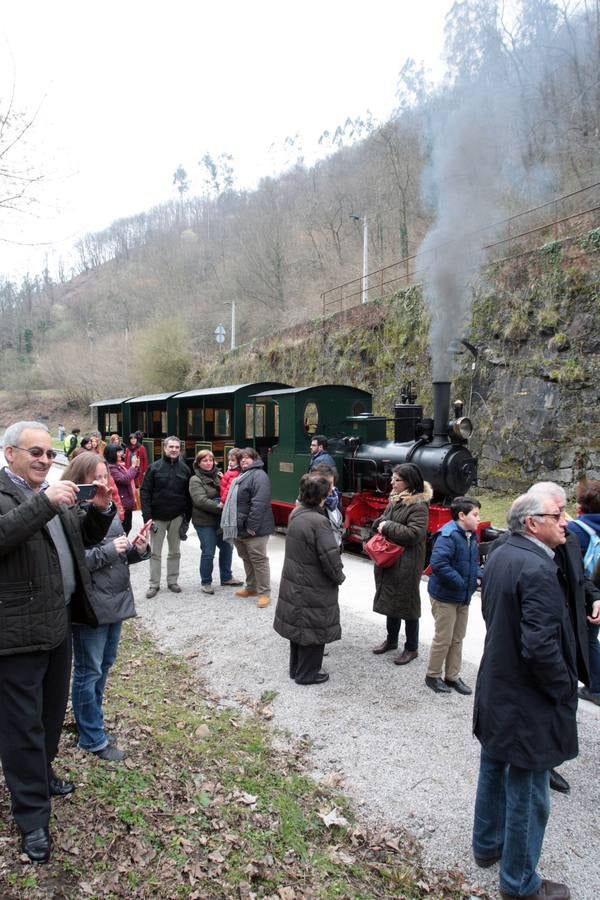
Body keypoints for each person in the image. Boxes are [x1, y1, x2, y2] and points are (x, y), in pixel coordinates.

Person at [0, 421, 114, 863]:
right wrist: (45, 503)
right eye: (35, 453)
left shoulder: (49, 491)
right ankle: (31, 818)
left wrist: (100, 511)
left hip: (57, 624)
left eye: (49, 454)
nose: (45, 460)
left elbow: (79, 539)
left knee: (49, 715)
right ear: (10, 453)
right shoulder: (23, 495)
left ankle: (41, 774)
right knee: (21, 726)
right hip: (16, 633)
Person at [472, 488, 582, 900]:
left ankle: (486, 846)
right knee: (529, 790)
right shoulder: (537, 568)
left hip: (498, 683)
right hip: (526, 696)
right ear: (533, 522)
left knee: (492, 766)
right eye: (558, 513)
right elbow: (540, 647)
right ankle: (519, 883)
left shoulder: (501, 551)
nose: (566, 520)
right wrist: (561, 688)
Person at [62, 451, 149, 762]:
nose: (103, 482)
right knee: (88, 671)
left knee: (103, 667)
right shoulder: (69, 510)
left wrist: (138, 548)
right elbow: (73, 562)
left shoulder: (107, 508)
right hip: (90, 607)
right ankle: (92, 737)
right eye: (95, 477)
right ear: (79, 480)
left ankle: (91, 720)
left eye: (105, 476)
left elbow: (118, 553)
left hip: (116, 601)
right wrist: (111, 551)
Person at [274, 473, 345, 684]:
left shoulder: (297, 513)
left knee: (299, 627)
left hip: (296, 578)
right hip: (313, 583)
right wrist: (339, 576)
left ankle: (296, 669)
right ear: (322, 495)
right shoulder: (319, 521)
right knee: (314, 628)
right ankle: (308, 674)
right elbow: (329, 557)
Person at [371, 463, 431, 665]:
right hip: (392, 558)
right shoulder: (396, 499)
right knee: (391, 599)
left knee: (408, 604)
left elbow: (415, 534)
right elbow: (385, 519)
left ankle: (411, 647)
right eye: (392, 478)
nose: (392, 482)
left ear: (409, 483)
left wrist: (387, 526)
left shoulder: (418, 505)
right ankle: (392, 640)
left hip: (407, 561)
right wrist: (379, 523)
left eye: (396, 480)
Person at [425, 496, 481, 695]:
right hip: (445, 597)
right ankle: (432, 676)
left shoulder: (470, 534)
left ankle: (452, 676)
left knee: (457, 638)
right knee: (444, 638)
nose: (478, 518)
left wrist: (478, 576)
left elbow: (472, 562)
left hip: (461, 596)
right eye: (475, 514)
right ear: (461, 515)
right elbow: (439, 565)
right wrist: (463, 583)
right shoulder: (448, 535)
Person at [221, 447, 274, 609]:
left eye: (247, 458)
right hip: (239, 527)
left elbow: (259, 503)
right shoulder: (243, 475)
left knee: (259, 560)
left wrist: (252, 525)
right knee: (246, 558)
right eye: (241, 458)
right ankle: (251, 587)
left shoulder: (259, 476)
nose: (244, 460)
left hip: (254, 529)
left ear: (255, 459)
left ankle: (264, 593)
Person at [140, 435, 191, 598]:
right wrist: (147, 517)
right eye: (171, 447)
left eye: (177, 447)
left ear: (180, 449)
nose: (174, 449)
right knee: (155, 552)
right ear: (164, 448)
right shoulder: (154, 468)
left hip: (177, 516)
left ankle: (172, 581)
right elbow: (145, 492)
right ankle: (154, 584)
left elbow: (189, 496)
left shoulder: (185, 470)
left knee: (175, 552)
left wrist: (186, 518)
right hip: (157, 517)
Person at [189, 449, 242, 595]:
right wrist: (221, 506)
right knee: (208, 551)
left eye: (210, 460)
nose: (208, 463)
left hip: (219, 520)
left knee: (227, 547)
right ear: (198, 463)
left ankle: (226, 577)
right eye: (204, 461)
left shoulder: (219, 476)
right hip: (204, 521)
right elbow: (200, 501)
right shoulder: (195, 479)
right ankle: (206, 582)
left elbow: (227, 491)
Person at [566, 479, 600, 707]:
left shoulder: (575, 530)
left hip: (583, 594)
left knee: (581, 640)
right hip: (598, 596)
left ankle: (595, 686)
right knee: (592, 639)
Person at [105, 443, 138, 535]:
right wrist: (133, 466)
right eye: (118, 451)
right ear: (112, 453)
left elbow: (131, 476)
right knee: (123, 530)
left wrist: (136, 467)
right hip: (121, 503)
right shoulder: (111, 468)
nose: (121, 453)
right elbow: (125, 480)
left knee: (127, 527)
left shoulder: (118, 465)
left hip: (127, 502)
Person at [312, 462, 344, 548]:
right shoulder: (312, 503)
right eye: (325, 484)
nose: (329, 488)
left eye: (331, 483)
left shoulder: (335, 498)